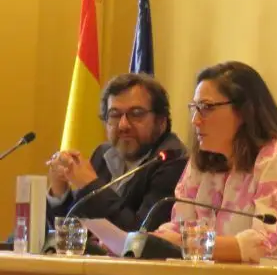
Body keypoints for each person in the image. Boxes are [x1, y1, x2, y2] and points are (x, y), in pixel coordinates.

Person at [147, 61, 277, 263]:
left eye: (206, 107)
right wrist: (147, 241)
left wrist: (184, 243)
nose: (195, 120)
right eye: (195, 108)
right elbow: (178, 225)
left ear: (244, 111)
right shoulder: (203, 161)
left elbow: (271, 244)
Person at [46, 73, 187, 232]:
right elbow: (73, 234)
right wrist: (60, 192)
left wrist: (92, 187)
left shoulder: (173, 161)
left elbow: (140, 236)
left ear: (161, 122)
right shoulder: (103, 154)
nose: (123, 125)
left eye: (136, 114)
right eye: (114, 115)